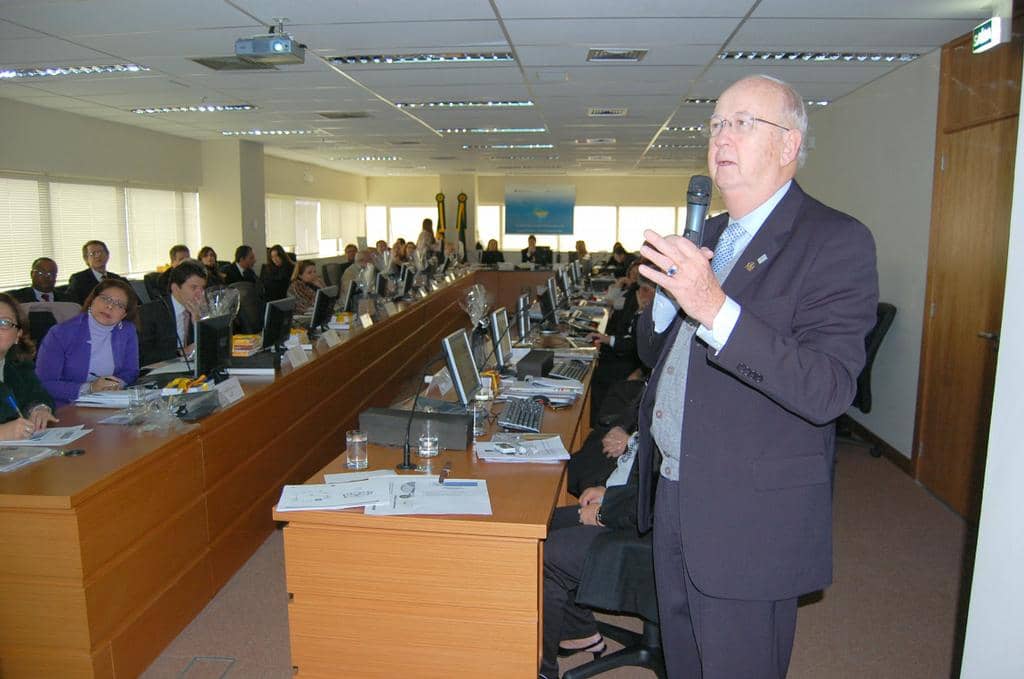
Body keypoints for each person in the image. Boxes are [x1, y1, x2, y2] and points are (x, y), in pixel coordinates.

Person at [635, 75, 879, 679]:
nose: (723, 136)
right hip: (675, 490)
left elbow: (827, 389)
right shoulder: (709, 236)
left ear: (789, 145)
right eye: (716, 123)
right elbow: (652, 353)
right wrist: (665, 300)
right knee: (684, 664)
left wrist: (713, 306)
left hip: (749, 515)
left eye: (744, 122)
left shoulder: (835, 240)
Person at [540, 432, 640, 679]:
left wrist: (603, 513)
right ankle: (578, 632)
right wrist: (609, 494)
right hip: (625, 501)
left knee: (541, 549)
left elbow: (658, 494)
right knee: (538, 524)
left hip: (640, 529)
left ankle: (543, 670)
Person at [36, 279, 140, 408]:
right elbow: (44, 384)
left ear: (124, 314)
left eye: (119, 305)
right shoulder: (60, 333)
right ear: (92, 300)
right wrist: (89, 388)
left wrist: (117, 384)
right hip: (68, 407)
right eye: (105, 299)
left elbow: (130, 370)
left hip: (110, 403)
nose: (110, 306)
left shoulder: (127, 331)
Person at [0, 293, 57, 439]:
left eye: (4, 323)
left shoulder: (19, 366)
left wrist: (39, 409)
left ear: (18, 335)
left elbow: (37, 394)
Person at [137, 260, 208, 367]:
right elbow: (143, 356)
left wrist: (199, 323)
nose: (201, 294)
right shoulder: (149, 312)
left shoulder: (201, 309)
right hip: (161, 372)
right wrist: (181, 352)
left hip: (192, 370)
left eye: (202, 288)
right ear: (175, 288)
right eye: (194, 288)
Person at [66, 240, 128, 305]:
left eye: (100, 252)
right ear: (86, 259)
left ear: (107, 255)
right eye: (93, 254)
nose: (98, 256)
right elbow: (73, 306)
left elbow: (131, 302)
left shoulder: (117, 279)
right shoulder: (78, 279)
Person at [8, 257, 73, 303]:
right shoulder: (16, 298)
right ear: (32, 274)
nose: (46, 277)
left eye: (51, 273)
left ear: (56, 276)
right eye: (41, 273)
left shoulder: (68, 300)